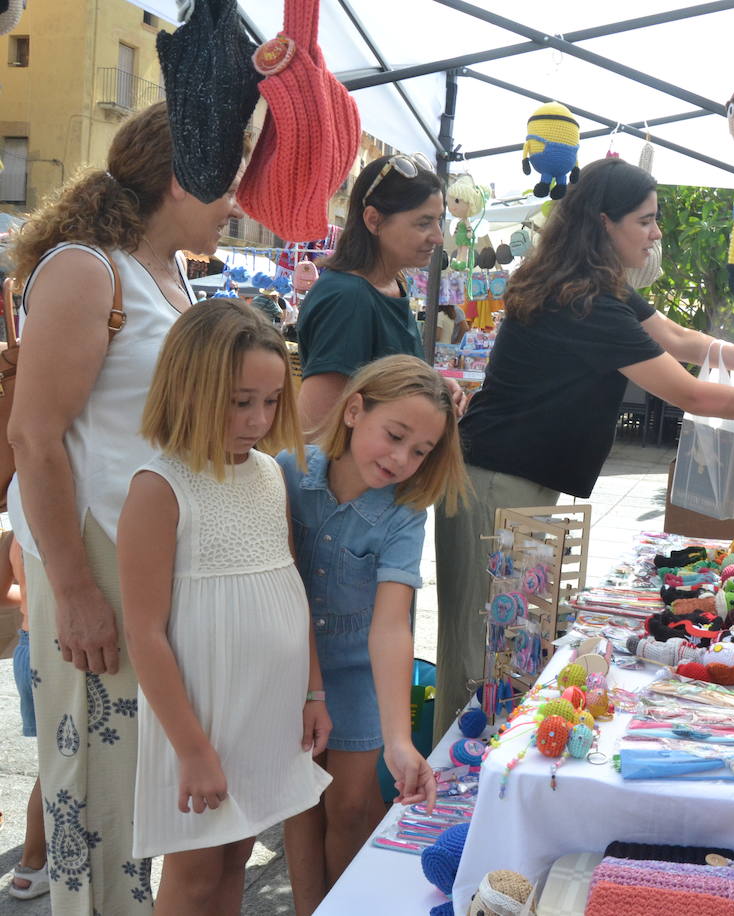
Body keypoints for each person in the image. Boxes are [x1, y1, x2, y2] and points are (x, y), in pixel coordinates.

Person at [435, 156, 734, 726]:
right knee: (482, 648)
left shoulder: (595, 286)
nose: (656, 233)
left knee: (508, 644)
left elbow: (679, 338)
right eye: (645, 221)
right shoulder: (581, 301)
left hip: (514, 481)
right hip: (492, 482)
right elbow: (694, 396)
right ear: (605, 223)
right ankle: (450, 788)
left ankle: (478, 772)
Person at [7, 100, 241, 914]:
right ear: (182, 179)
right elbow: (35, 438)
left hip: (146, 554)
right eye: (227, 183)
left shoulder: (164, 271)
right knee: (98, 797)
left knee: (140, 790)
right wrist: (73, 591)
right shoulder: (87, 268)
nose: (236, 203)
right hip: (92, 553)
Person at [118, 300, 331, 910]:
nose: (259, 418)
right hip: (203, 717)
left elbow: (291, 586)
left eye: (270, 401)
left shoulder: (267, 474)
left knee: (236, 854)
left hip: (267, 709)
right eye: (241, 401)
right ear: (190, 389)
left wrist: (313, 692)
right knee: (195, 867)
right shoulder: (159, 488)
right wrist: (192, 748)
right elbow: (145, 632)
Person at [279, 355, 465, 914]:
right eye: (396, 435)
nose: (402, 459)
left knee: (353, 804)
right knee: (299, 801)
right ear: (355, 410)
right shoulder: (287, 473)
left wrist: (399, 740)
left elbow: (390, 624)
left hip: (361, 672)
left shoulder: (406, 512)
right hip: (289, 668)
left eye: (420, 451)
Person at [296, 154, 444, 430]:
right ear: (374, 220)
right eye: (424, 223)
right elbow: (316, 428)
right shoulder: (348, 298)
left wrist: (433, 390)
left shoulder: (394, 285)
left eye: (438, 221)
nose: (438, 236)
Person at [1, 532, 47, 900]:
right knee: (57, 767)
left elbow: (2, 594)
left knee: (53, 762)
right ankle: (32, 866)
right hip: (51, 652)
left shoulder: (14, 532)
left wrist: (28, 602)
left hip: (26, 645)